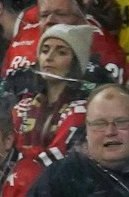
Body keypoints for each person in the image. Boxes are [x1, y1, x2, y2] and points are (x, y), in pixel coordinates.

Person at [12, 24, 95, 163]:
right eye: (45, 50)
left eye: (61, 52)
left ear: (76, 64)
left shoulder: (81, 109)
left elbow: (59, 156)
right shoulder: (23, 107)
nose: (49, 57)